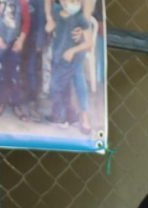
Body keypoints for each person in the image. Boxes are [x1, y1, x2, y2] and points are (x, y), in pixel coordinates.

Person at [44, 0, 94, 132]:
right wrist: (49, 21)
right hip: (58, 55)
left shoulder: (80, 18)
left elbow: (89, 43)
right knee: (59, 85)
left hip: (73, 53)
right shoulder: (57, 11)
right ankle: (67, 115)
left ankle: (65, 117)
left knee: (64, 82)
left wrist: (82, 30)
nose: (74, 2)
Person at [0, 0, 30, 118]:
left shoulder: (22, 2)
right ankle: (0, 102)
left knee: (15, 75)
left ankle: (16, 103)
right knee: (0, 74)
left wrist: (21, 40)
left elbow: (26, 21)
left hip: (15, 41)